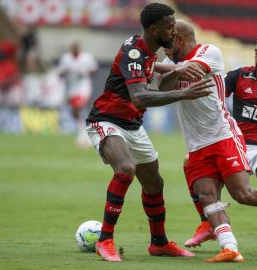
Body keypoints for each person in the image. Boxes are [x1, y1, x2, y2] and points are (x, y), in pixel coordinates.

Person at [158, 27, 257, 262]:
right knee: (201, 180)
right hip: (237, 140)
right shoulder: (241, 75)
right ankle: (210, 226)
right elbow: (215, 89)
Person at [85, 3, 213, 262]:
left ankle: (159, 243)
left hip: (132, 124)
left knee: (154, 182)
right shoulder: (134, 51)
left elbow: (151, 68)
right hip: (107, 120)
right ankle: (105, 240)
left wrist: (175, 69)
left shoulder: (148, 48)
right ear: (154, 29)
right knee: (125, 168)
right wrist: (183, 92)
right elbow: (140, 96)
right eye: (169, 26)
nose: (174, 31)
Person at [58, 42, 98, 149]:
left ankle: (84, 131)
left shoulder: (87, 57)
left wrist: (85, 72)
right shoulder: (66, 58)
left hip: (83, 88)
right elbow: (60, 73)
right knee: (75, 112)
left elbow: (95, 70)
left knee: (78, 107)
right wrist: (66, 71)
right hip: (70, 89)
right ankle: (84, 130)